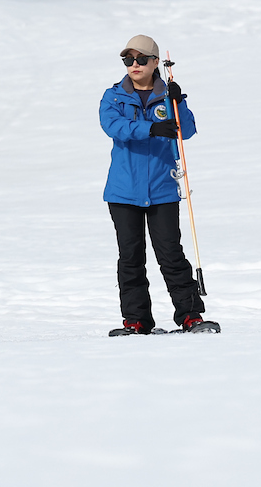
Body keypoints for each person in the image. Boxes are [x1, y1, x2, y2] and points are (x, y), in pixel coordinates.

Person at [99, 35, 219, 335]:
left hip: (163, 190)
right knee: (131, 257)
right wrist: (151, 128)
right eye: (128, 60)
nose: (134, 65)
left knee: (171, 254)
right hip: (124, 191)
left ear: (155, 63)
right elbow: (114, 127)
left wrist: (180, 102)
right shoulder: (113, 97)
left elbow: (187, 131)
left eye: (141, 59)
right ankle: (136, 320)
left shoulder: (168, 96)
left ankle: (190, 316)